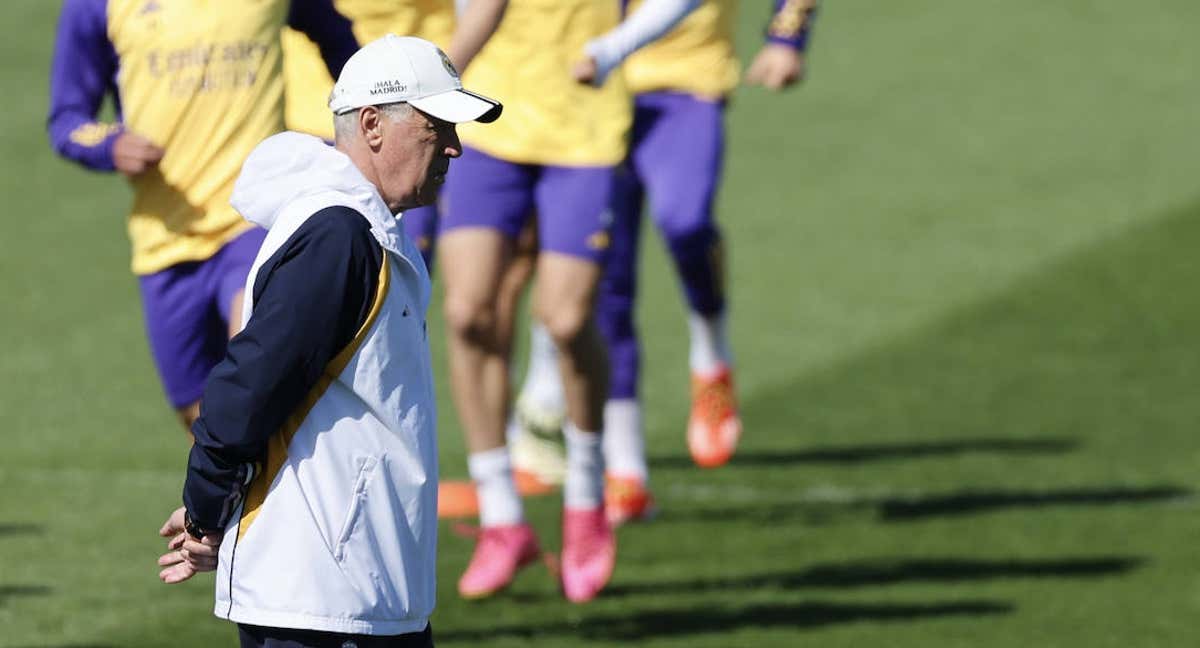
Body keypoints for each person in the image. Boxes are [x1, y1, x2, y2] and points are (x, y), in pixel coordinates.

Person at [155, 35, 501, 647]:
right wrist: (208, 509)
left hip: (358, 592)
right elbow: (246, 387)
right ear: (372, 124)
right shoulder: (338, 238)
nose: (454, 146)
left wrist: (215, 509)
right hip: (321, 603)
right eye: (437, 126)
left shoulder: (366, 230)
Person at [509, 0, 819, 522]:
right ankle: (625, 468)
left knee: (686, 222)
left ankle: (710, 351)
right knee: (609, 279)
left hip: (687, 80)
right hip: (589, 90)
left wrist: (788, 36)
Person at [435, 0, 700, 603]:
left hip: (583, 129)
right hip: (489, 125)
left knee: (567, 318)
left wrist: (616, 47)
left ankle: (586, 496)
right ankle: (502, 517)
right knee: (466, 314)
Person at [46, 0, 358, 433]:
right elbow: (67, 118)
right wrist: (109, 145)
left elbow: (339, 39)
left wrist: (361, 126)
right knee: (204, 420)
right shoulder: (96, 6)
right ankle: (239, 501)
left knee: (257, 381)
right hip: (165, 236)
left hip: (256, 219)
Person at [281, 0, 508, 269]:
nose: (455, 149)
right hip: (323, 120)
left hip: (411, 113)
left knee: (397, 273)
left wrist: (433, 89)